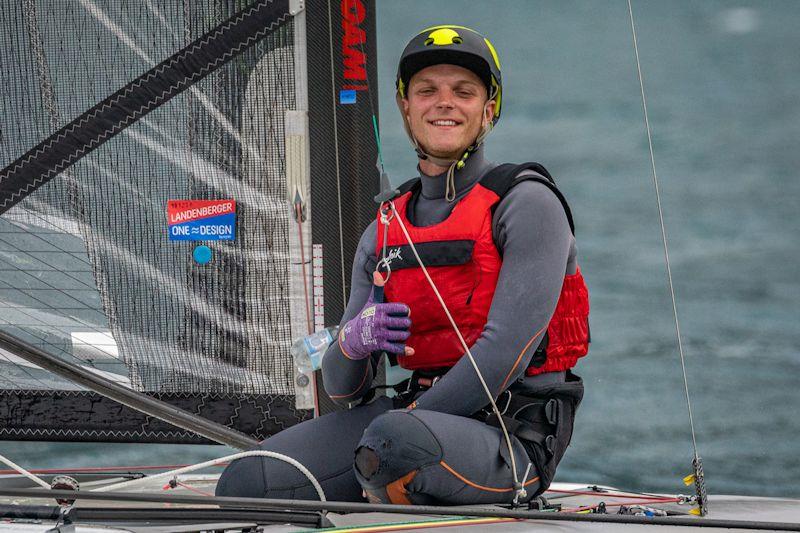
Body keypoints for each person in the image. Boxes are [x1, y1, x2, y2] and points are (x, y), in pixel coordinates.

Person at [216, 25, 590, 506]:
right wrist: (351, 344)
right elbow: (341, 388)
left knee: (390, 444)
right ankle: (386, 451)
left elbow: (506, 351)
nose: (444, 102)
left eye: (464, 91)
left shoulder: (526, 204)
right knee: (249, 480)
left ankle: (390, 453)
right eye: (427, 90)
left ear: (489, 109)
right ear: (405, 107)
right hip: (399, 428)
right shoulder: (385, 229)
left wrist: (399, 423)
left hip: (511, 435)